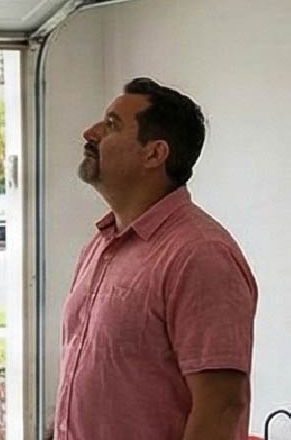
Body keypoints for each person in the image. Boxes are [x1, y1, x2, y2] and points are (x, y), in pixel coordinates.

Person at [54, 78, 257, 440]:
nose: (90, 132)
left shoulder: (200, 254)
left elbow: (222, 407)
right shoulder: (100, 245)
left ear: (153, 154)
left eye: (112, 124)